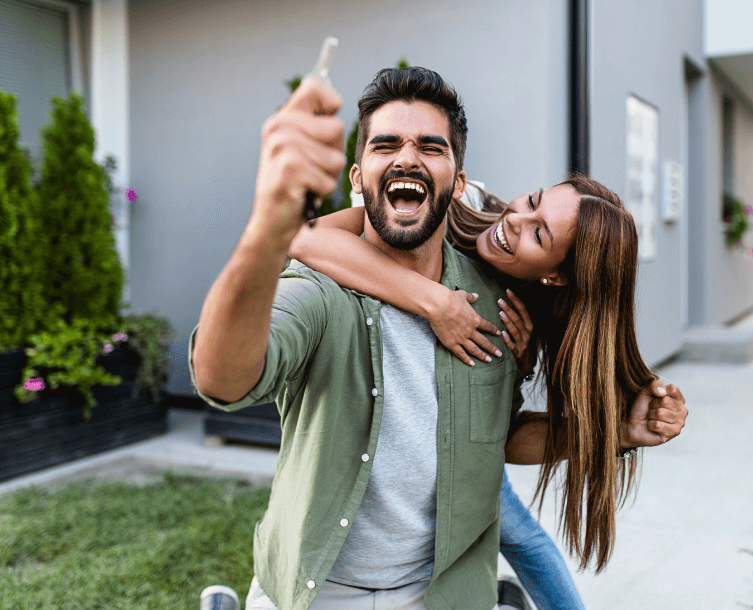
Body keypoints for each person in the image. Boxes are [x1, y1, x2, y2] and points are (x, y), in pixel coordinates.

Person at [191, 66, 684, 610]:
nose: (517, 221)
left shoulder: (508, 308)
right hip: (314, 591)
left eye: (430, 146)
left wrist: (614, 429)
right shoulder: (333, 285)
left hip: (440, 586)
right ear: (358, 175)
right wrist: (429, 300)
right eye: (387, 145)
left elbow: (498, 440)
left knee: (523, 536)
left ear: (458, 176)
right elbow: (230, 366)